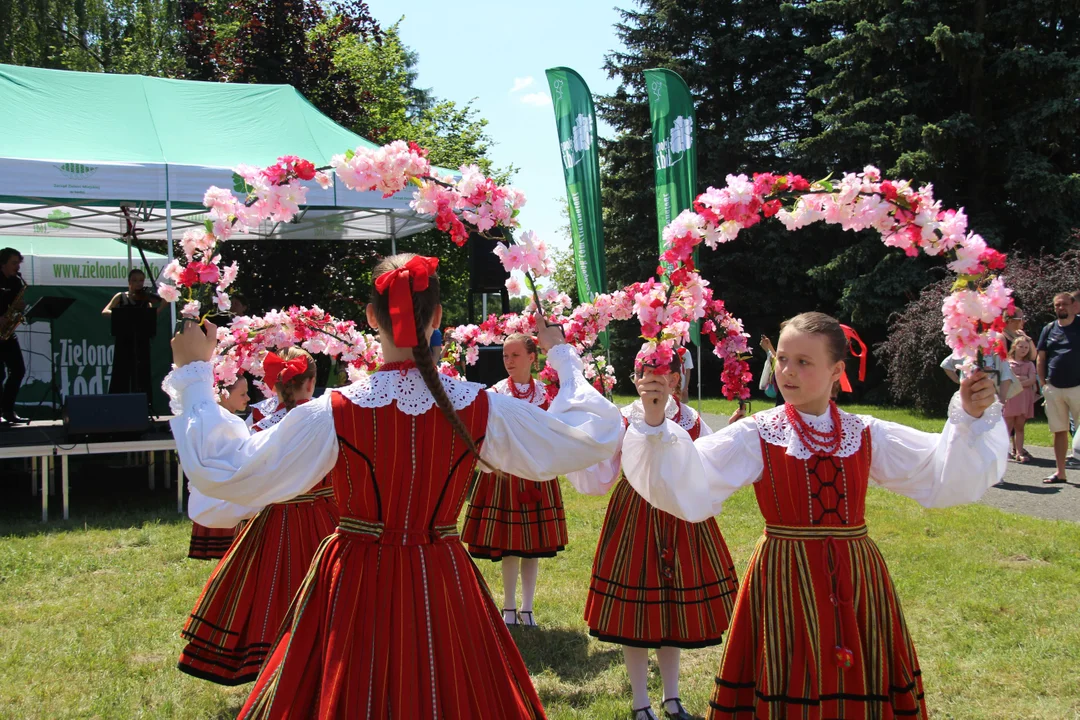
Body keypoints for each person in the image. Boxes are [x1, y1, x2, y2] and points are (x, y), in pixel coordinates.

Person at [165, 253, 622, 718]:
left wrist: (196, 377)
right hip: (439, 575)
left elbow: (228, 471)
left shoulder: (335, 410)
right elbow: (588, 440)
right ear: (438, 318)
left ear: (369, 318)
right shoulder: (481, 406)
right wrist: (562, 357)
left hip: (355, 580)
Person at [624, 312, 1007, 720]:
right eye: (783, 359)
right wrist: (654, 422)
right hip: (785, 576)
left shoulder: (864, 431)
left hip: (856, 578)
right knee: (789, 674)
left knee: (859, 675)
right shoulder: (759, 432)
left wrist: (970, 417)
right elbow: (689, 479)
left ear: (836, 370)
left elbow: (939, 470)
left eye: (803, 362)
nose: (787, 371)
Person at [566, 347, 739, 720]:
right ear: (635, 377)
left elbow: (708, 464)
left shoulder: (691, 420)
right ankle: (641, 701)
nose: (653, 381)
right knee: (636, 612)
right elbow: (600, 468)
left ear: (676, 379)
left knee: (672, 610)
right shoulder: (623, 418)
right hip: (635, 516)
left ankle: (672, 698)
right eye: (645, 374)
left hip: (680, 515)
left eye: (661, 374)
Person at [177, 348, 341, 685]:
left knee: (270, 589)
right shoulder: (325, 421)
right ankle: (320, 666)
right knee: (328, 596)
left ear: (273, 386)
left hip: (273, 521)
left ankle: (275, 668)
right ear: (311, 383)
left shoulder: (260, 428)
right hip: (325, 523)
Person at [462, 333, 567, 628]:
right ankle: (508, 606)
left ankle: (528, 607)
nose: (508, 361)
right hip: (505, 476)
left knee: (531, 546)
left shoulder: (547, 393)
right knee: (508, 545)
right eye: (505, 356)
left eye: (515, 355)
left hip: (536, 474)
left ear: (532, 358)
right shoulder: (496, 393)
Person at [187, 375, 251, 561]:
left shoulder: (220, 420)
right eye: (243, 394)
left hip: (220, 493)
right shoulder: (222, 424)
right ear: (224, 395)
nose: (247, 398)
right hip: (222, 497)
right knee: (232, 556)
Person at [1037, 292, 1080, 483]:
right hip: (1054, 388)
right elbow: (1041, 357)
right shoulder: (1049, 329)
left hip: (1078, 387)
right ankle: (1061, 472)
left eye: (1063, 304)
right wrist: (1043, 384)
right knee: (1059, 431)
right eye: (1056, 305)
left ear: (1073, 305)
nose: (1060, 308)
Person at [103, 268, 165, 401]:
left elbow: (152, 314)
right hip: (124, 339)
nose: (138, 283)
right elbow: (105, 311)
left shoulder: (145, 299)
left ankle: (144, 404)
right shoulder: (121, 296)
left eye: (141, 281)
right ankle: (117, 402)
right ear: (129, 282)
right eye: (135, 280)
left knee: (141, 372)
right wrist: (123, 315)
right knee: (121, 371)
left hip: (141, 340)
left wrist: (161, 306)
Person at [0, 248, 28, 426]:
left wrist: (18, 309)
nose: (17, 267)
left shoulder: (17, 282)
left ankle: (8, 410)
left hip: (6, 333)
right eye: (14, 263)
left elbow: (16, 306)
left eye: (18, 263)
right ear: (3, 263)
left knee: (18, 369)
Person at [1004, 336, 1038, 464]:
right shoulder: (1007, 362)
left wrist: (1017, 380)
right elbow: (1007, 380)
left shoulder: (1029, 364)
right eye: (1021, 346)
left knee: (1020, 425)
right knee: (1007, 425)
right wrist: (1022, 379)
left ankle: (1019, 452)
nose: (1023, 350)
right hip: (1011, 397)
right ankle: (1003, 451)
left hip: (1024, 397)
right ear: (1014, 347)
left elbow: (1032, 380)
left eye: (1026, 347)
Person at [940, 349, 1015, 404]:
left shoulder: (996, 352)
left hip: (990, 396)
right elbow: (946, 365)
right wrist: (957, 380)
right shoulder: (966, 350)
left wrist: (1002, 398)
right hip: (967, 396)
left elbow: (1006, 376)